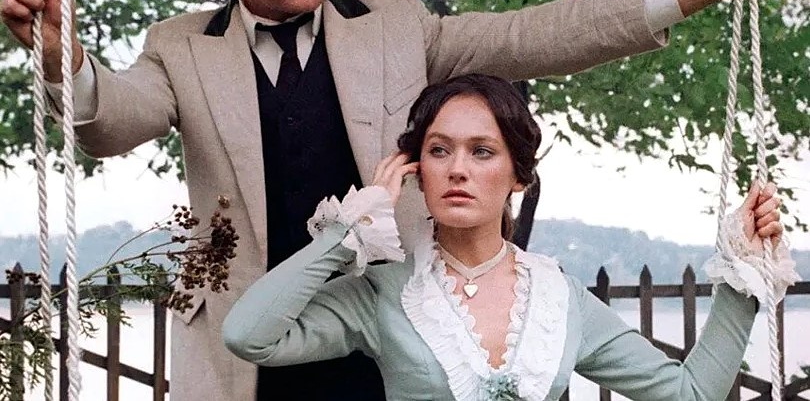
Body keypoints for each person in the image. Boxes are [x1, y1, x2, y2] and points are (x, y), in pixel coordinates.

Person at [0, 0, 774, 399]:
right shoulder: (179, 45)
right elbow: (113, 120)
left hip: (395, 339)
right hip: (250, 351)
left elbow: (530, 35)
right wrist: (64, 58)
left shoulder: (393, 19)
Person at [222, 73, 799, 401]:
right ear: (416, 170)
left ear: (518, 175)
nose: (457, 169)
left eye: (482, 152)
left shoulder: (559, 298)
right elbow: (249, 337)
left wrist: (744, 273)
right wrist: (351, 228)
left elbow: (692, 394)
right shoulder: (384, 293)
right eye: (439, 151)